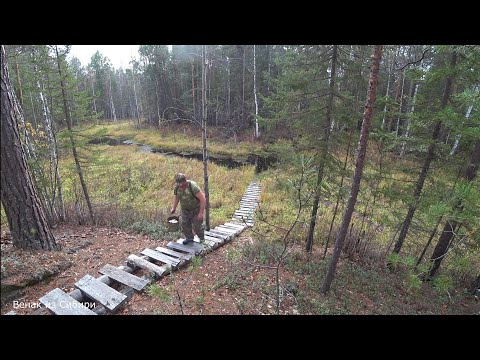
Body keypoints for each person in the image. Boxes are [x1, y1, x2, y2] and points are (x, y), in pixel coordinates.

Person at [170, 173, 206, 244]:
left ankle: (202, 240)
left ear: (185, 180)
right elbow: (177, 197)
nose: (180, 185)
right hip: (185, 210)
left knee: (197, 226)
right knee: (185, 225)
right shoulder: (177, 187)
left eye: (182, 183)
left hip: (196, 209)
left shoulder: (192, 186)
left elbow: (203, 199)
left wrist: (201, 213)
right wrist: (174, 208)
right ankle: (189, 238)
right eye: (179, 183)